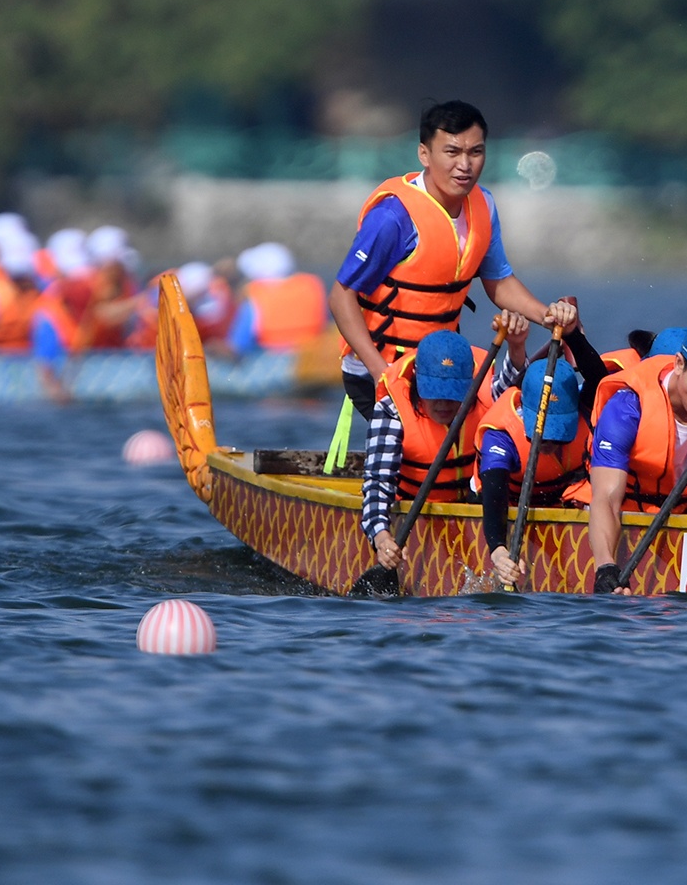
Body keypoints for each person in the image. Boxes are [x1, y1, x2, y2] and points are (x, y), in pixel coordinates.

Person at [329, 99, 578, 420]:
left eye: (476, 152)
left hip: (441, 367)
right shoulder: (394, 217)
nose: (465, 165)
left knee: (476, 443)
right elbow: (340, 297)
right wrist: (383, 373)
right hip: (380, 367)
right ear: (424, 154)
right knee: (425, 451)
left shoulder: (483, 207)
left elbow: (499, 282)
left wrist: (548, 317)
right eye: (452, 152)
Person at [585, 317, 687, 593]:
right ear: (679, 364)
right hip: (628, 512)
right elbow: (606, 497)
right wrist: (606, 567)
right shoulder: (628, 406)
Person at [360, 321, 532, 570]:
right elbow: (378, 482)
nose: (443, 403)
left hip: (480, 508)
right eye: (435, 392)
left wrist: (517, 345)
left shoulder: (484, 392)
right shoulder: (391, 411)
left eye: (453, 393)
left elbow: (513, 384)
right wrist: (381, 537)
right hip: (412, 511)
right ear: (418, 380)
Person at [474, 325, 613, 586]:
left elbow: (599, 379)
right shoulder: (501, 436)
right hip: (510, 507)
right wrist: (498, 549)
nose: (550, 441)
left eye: (559, 431)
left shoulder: (586, 407)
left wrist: (572, 333)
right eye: (545, 433)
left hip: (565, 500)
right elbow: (494, 494)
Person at [29, 230, 98, 404]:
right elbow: (44, 371)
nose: (81, 286)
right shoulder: (48, 314)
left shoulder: (96, 300)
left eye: (84, 279)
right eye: (73, 279)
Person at [229, 243, 328, 356]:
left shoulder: (256, 295)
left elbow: (240, 342)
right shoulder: (311, 286)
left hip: (268, 359)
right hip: (310, 357)